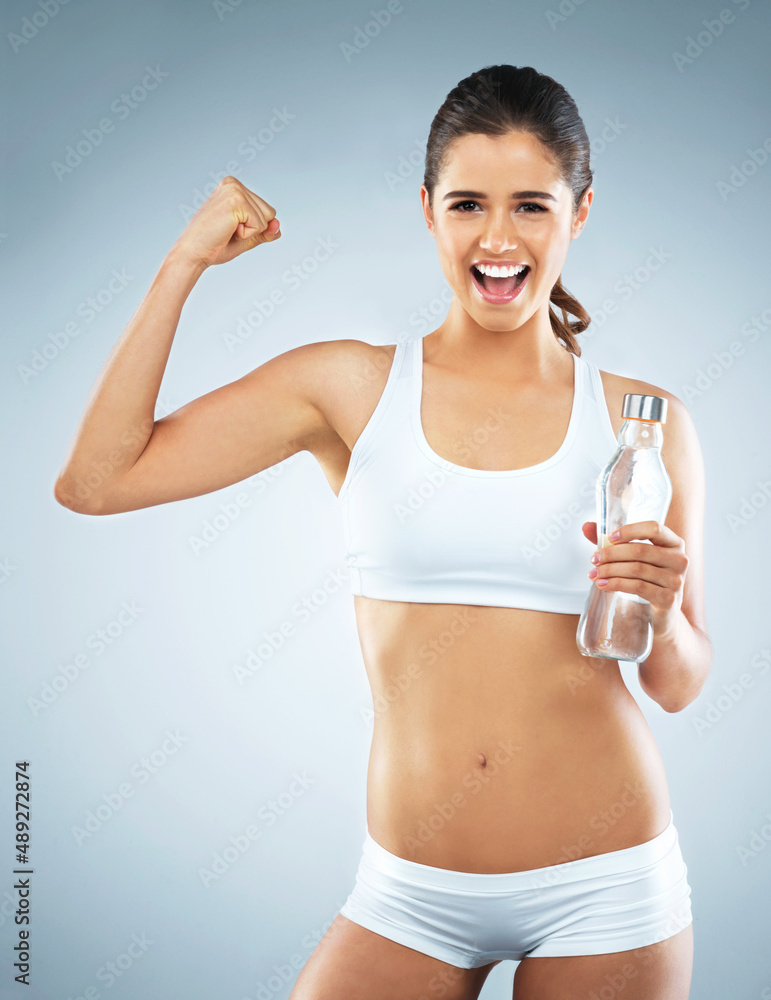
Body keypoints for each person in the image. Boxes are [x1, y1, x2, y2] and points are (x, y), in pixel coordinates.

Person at [54, 64, 711, 1000]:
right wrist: (183, 264)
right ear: (426, 209)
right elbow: (95, 481)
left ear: (580, 211)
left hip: (606, 886)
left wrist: (662, 614)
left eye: (531, 205)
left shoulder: (644, 426)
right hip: (410, 896)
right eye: (466, 204)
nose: (496, 238)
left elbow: (680, 683)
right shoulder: (349, 388)